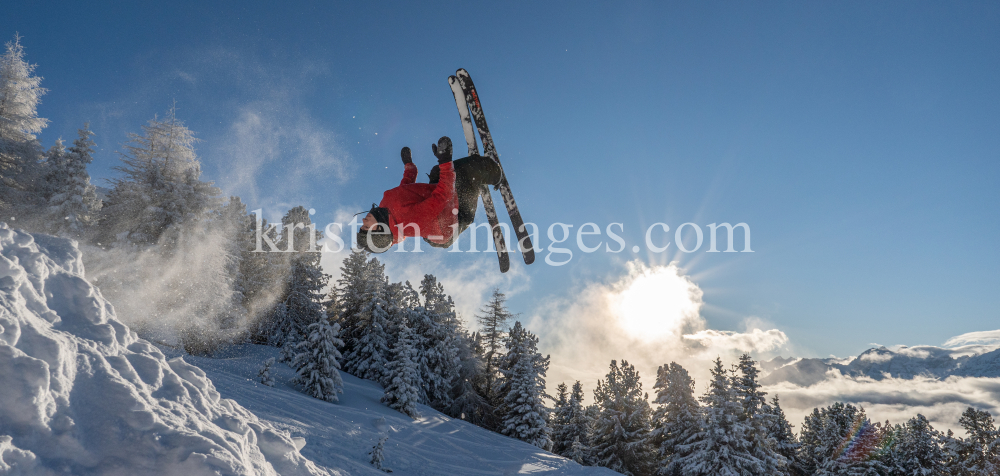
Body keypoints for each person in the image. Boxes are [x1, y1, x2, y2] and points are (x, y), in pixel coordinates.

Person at [357, 136, 502, 252]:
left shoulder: (384, 209)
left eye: (362, 226)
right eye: (366, 227)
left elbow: (405, 191)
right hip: (455, 219)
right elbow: (443, 196)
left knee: (437, 172)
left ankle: (477, 177)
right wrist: (445, 161)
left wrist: (409, 167)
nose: (363, 221)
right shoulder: (408, 221)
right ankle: (496, 175)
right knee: (467, 172)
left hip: (438, 216)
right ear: (380, 231)